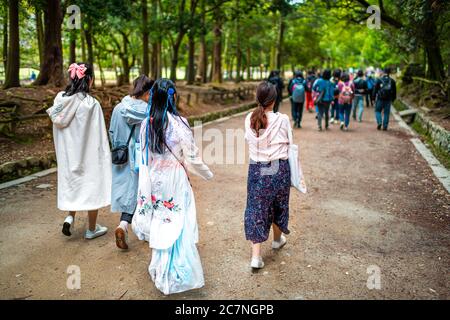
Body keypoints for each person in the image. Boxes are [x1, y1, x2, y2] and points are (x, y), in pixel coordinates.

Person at [132, 78, 213, 295]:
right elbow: (192, 157)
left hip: (156, 178)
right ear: (173, 97)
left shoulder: (146, 124)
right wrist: (207, 174)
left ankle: (160, 269)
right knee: (180, 221)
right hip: (176, 179)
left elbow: (143, 157)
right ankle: (180, 270)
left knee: (162, 221)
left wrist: (146, 182)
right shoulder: (180, 123)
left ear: (153, 97)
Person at [46, 63, 111, 239]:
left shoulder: (59, 99)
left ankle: (69, 217)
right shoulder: (91, 104)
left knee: (73, 185)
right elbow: (99, 134)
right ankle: (91, 229)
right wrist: (104, 155)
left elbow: (57, 124)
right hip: (88, 156)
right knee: (92, 187)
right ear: (89, 80)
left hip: (68, 155)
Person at [244, 81, 291, 269]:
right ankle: (277, 240)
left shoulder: (249, 118)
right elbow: (289, 144)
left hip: (257, 169)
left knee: (256, 208)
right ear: (274, 99)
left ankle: (256, 257)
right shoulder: (283, 120)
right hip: (279, 169)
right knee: (279, 205)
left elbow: (249, 140)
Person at [109, 75, 154, 250]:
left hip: (121, 156)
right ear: (148, 92)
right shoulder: (148, 111)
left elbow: (112, 131)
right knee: (142, 192)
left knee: (126, 191)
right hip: (141, 158)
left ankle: (123, 226)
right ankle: (134, 227)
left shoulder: (118, 108)